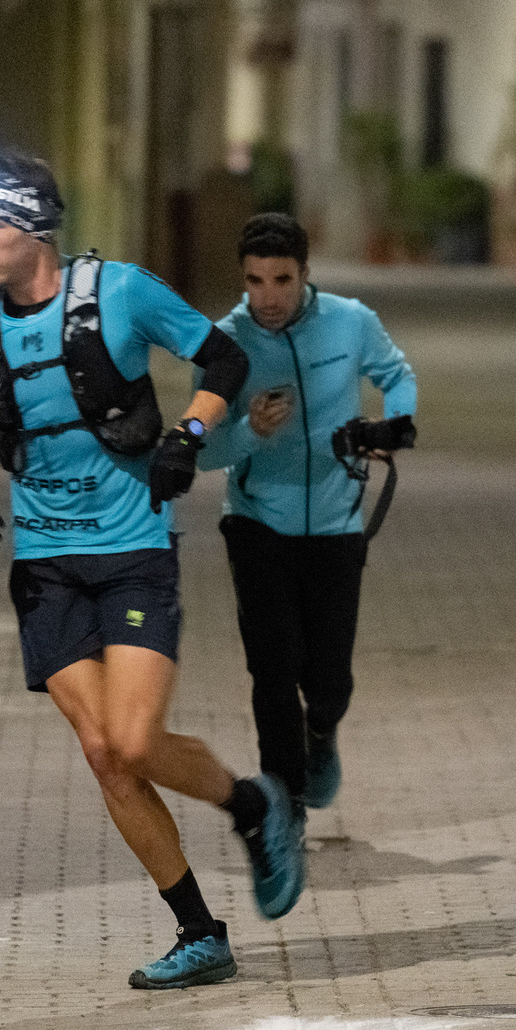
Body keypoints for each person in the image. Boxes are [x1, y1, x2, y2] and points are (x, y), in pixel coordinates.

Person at [0, 153, 307, 990]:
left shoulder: (123, 293)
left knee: (138, 741)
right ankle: (200, 932)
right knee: (106, 753)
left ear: (34, 228)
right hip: (45, 566)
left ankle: (253, 806)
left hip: (132, 549)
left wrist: (188, 435)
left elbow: (225, 361)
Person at [197, 212, 417, 811]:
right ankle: (283, 808)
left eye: (282, 280)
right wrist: (248, 431)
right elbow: (203, 450)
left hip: (336, 523)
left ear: (305, 274)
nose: (268, 298)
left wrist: (391, 426)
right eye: (255, 281)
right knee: (272, 671)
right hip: (256, 523)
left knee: (328, 682)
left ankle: (321, 731)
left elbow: (396, 374)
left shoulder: (351, 321)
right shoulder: (224, 344)